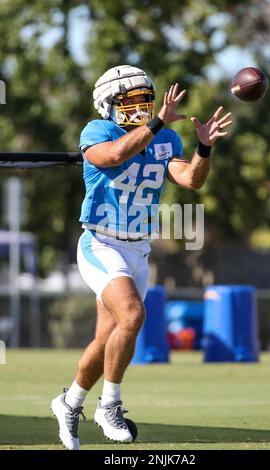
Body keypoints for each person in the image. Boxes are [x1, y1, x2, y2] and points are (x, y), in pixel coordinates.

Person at [51, 65, 232, 450]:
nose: (141, 109)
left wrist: (204, 146)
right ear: (108, 105)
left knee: (106, 341)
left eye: (145, 101)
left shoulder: (165, 138)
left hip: (138, 248)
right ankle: (109, 405)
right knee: (133, 314)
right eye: (131, 102)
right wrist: (155, 125)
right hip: (101, 243)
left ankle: (69, 403)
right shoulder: (97, 131)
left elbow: (192, 180)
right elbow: (116, 154)